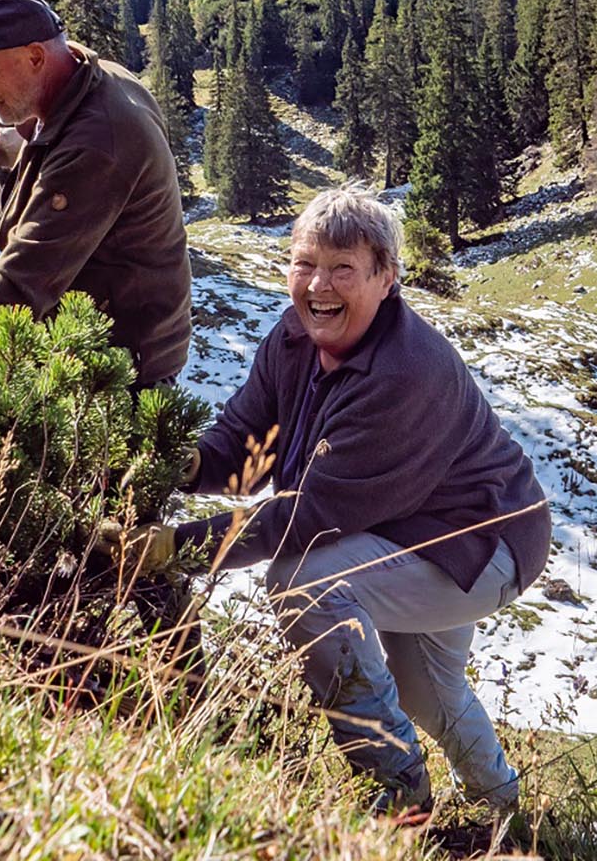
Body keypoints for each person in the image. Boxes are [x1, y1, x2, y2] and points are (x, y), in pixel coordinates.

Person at [109, 186, 549, 818]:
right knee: (428, 691)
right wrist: (186, 465)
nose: (319, 284)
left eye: (343, 268)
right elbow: (245, 439)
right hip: (406, 528)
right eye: (305, 263)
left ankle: (398, 793)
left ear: (386, 278)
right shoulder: (294, 336)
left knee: (304, 583)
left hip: (481, 544)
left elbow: (309, 519)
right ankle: (504, 809)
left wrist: (178, 549)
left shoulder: (403, 374)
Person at [0, 0, 190, 389]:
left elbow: (22, 282)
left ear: (34, 56)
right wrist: (1, 143)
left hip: (120, 375)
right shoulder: (92, 79)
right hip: (93, 346)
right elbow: (53, 138)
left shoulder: (100, 141)